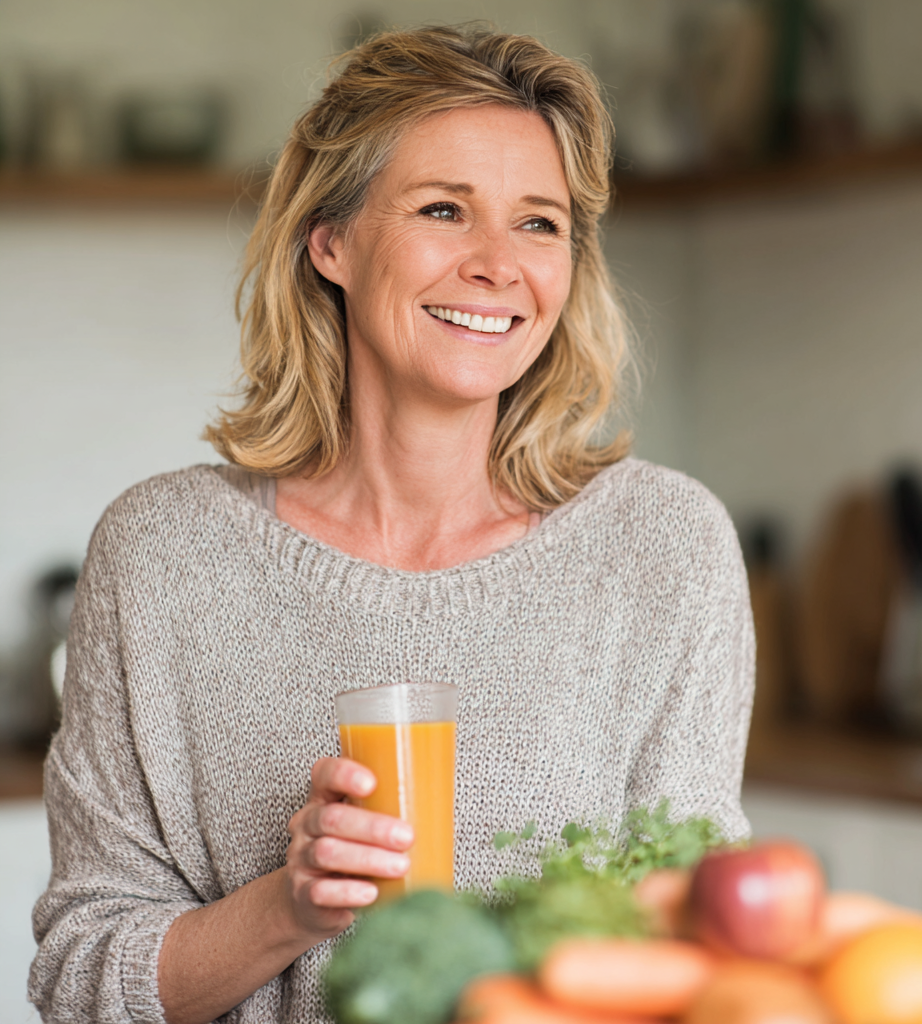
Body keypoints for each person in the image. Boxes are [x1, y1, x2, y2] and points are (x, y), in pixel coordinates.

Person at [29, 24, 754, 1024]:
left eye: (539, 224)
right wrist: (291, 908)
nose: (498, 264)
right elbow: (81, 983)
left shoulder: (663, 547)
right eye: (444, 209)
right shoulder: (162, 554)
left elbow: (706, 941)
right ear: (332, 241)